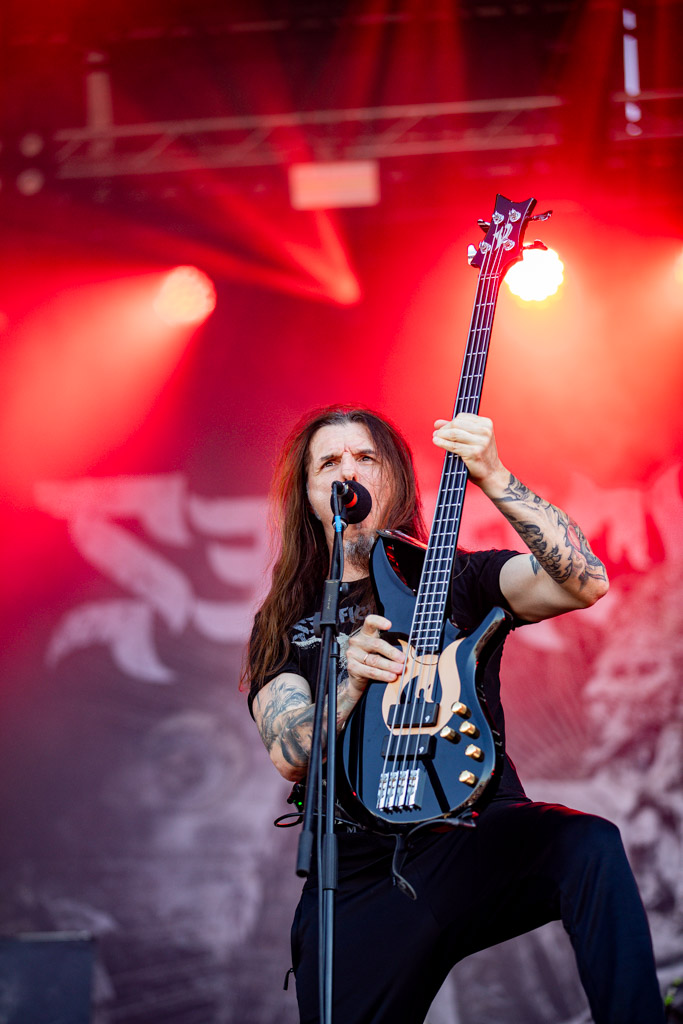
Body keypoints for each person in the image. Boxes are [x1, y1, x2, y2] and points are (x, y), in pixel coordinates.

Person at [244, 404, 664, 1024]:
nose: (347, 471)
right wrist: (349, 683)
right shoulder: (287, 623)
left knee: (588, 844)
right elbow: (291, 754)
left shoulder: (456, 575)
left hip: (471, 831)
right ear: (307, 496)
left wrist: (492, 472)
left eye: (365, 457)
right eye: (328, 463)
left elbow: (584, 581)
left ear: (393, 478)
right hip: (360, 871)